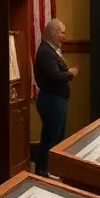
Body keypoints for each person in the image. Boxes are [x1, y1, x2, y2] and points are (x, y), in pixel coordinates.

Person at [33, 19, 78, 178]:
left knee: (57, 136)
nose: (64, 36)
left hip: (57, 100)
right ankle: (44, 170)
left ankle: (50, 169)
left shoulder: (52, 50)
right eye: (62, 33)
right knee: (51, 138)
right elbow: (55, 75)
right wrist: (70, 74)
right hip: (51, 101)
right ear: (53, 33)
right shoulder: (46, 52)